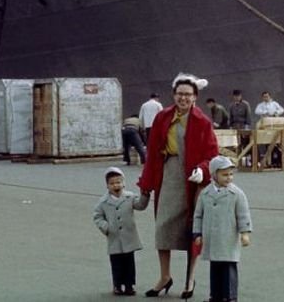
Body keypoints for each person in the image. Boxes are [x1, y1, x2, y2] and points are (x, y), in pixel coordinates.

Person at [138, 73, 219, 299]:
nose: (183, 98)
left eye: (188, 95)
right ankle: (165, 276)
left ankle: (190, 279)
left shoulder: (202, 122)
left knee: (193, 230)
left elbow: (212, 154)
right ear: (173, 95)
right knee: (162, 227)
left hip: (192, 181)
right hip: (168, 174)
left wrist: (201, 171)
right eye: (179, 94)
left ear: (195, 97)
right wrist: (147, 182)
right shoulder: (162, 118)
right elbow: (152, 153)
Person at [193, 155, 252, 302]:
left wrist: (245, 233)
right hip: (212, 240)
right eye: (225, 175)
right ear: (214, 175)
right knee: (215, 268)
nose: (229, 178)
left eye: (231, 174)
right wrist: (197, 233)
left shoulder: (237, 194)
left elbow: (243, 214)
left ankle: (230, 296)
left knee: (229, 268)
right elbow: (198, 215)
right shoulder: (205, 194)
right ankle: (216, 295)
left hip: (228, 238)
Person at [93, 167, 149, 296]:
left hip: (129, 237)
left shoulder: (130, 197)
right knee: (116, 264)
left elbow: (140, 205)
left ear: (123, 183)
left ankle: (129, 285)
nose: (116, 185)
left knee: (130, 263)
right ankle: (117, 285)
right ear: (107, 185)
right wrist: (106, 227)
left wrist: (145, 194)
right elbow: (97, 216)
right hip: (114, 238)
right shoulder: (103, 202)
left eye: (118, 182)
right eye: (112, 183)